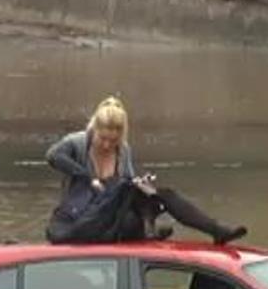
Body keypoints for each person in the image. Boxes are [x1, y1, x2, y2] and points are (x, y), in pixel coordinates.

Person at [44, 97, 247, 245]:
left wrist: (140, 184)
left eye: (112, 140)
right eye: (102, 139)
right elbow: (53, 156)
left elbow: (126, 185)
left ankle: (216, 230)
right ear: (93, 129)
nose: (107, 145)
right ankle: (146, 232)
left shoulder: (123, 151)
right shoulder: (77, 143)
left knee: (164, 194)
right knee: (134, 217)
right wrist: (88, 178)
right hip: (85, 220)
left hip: (113, 216)